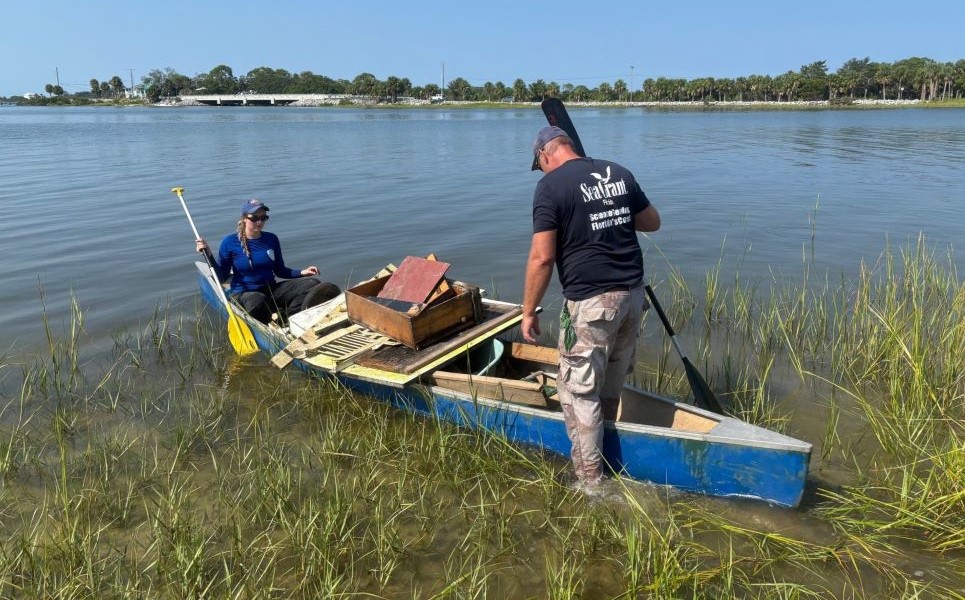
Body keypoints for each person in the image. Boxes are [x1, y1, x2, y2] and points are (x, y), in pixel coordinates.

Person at [522, 125, 661, 490]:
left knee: (578, 393)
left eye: (541, 164)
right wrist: (608, 209)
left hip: (593, 304)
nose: (544, 171)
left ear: (545, 155)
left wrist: (528, 311)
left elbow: (541, 258)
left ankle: (591, 483)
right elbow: (652, 223)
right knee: (610, 384)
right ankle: (612, 454)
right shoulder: (619, 172)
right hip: (631, 298)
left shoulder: (550, 187)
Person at [195, 199, 340, 323]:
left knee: (312, 284)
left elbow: (280, 270)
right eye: (254, 218)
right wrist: (208, 254)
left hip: (270, 289)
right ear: (244, 218)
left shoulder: (271, 239)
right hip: (244, 294)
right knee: (257, 301)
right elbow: (221, 276)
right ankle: (270, 321)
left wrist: (303, 272)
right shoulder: (229, 242)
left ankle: (286, 318)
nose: (259, 222)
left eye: (263, 218)